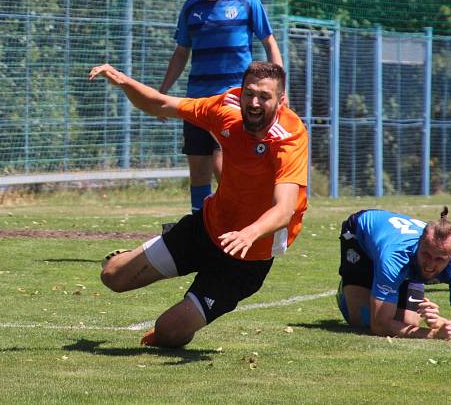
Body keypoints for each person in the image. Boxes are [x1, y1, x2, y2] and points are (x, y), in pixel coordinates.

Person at [89, 61, 308, 348]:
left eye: (264, 97)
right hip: (207, 228)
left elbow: (285, 209)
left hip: (247, 258)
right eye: (249, 93)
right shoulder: (224, 108)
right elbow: (162, 104)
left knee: (168, 332)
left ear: (280, 101)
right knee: (112, 277)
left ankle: (170, 326)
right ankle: (133, 255)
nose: (254, 103)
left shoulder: (289, 138)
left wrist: (249, 233)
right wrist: (123, 82)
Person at [158, 0, 283, 213]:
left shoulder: (247, 2)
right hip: (197, 100)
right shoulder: (192, 8)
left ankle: (240, 220)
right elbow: (181, 53)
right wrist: (163, 93)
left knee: (222, 162)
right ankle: (198, 228)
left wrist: (279, 90)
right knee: (198, 167)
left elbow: (269, 43)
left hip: (232, 98)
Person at [337, 207, 451, 340]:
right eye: (426, 255)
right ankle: (348, 289)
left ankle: (386, 282)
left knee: (408, 323)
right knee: (364, 320)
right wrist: (433, 334)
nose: (430, 264)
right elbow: (379, 325)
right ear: (419, 244)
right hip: (360, 234)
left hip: (401, 258)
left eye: (439, 259)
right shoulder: (395, 257)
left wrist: (444, 323)